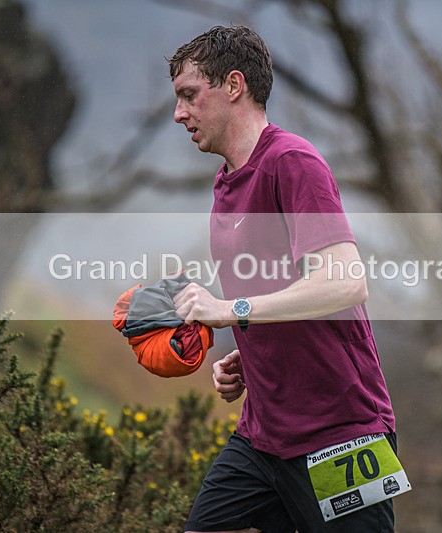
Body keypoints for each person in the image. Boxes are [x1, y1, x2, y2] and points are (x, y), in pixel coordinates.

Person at [169, 25, 400, 533]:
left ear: (234, 86)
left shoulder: (292, 162)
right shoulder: (226, 181)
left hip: (341, 435)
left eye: (189, 95)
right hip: (262, 437)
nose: (179, 113)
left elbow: (344, 283)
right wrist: (253, 353)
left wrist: (232, 312)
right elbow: (280, 293)